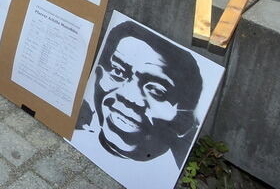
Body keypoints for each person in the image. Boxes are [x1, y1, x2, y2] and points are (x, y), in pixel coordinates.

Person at [72, 20, 204, 182]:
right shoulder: (76, 136)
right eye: (118, 71)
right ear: (98, 75)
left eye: (156, 90)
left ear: (184, 119)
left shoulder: (161, 179)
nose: (128, 97)